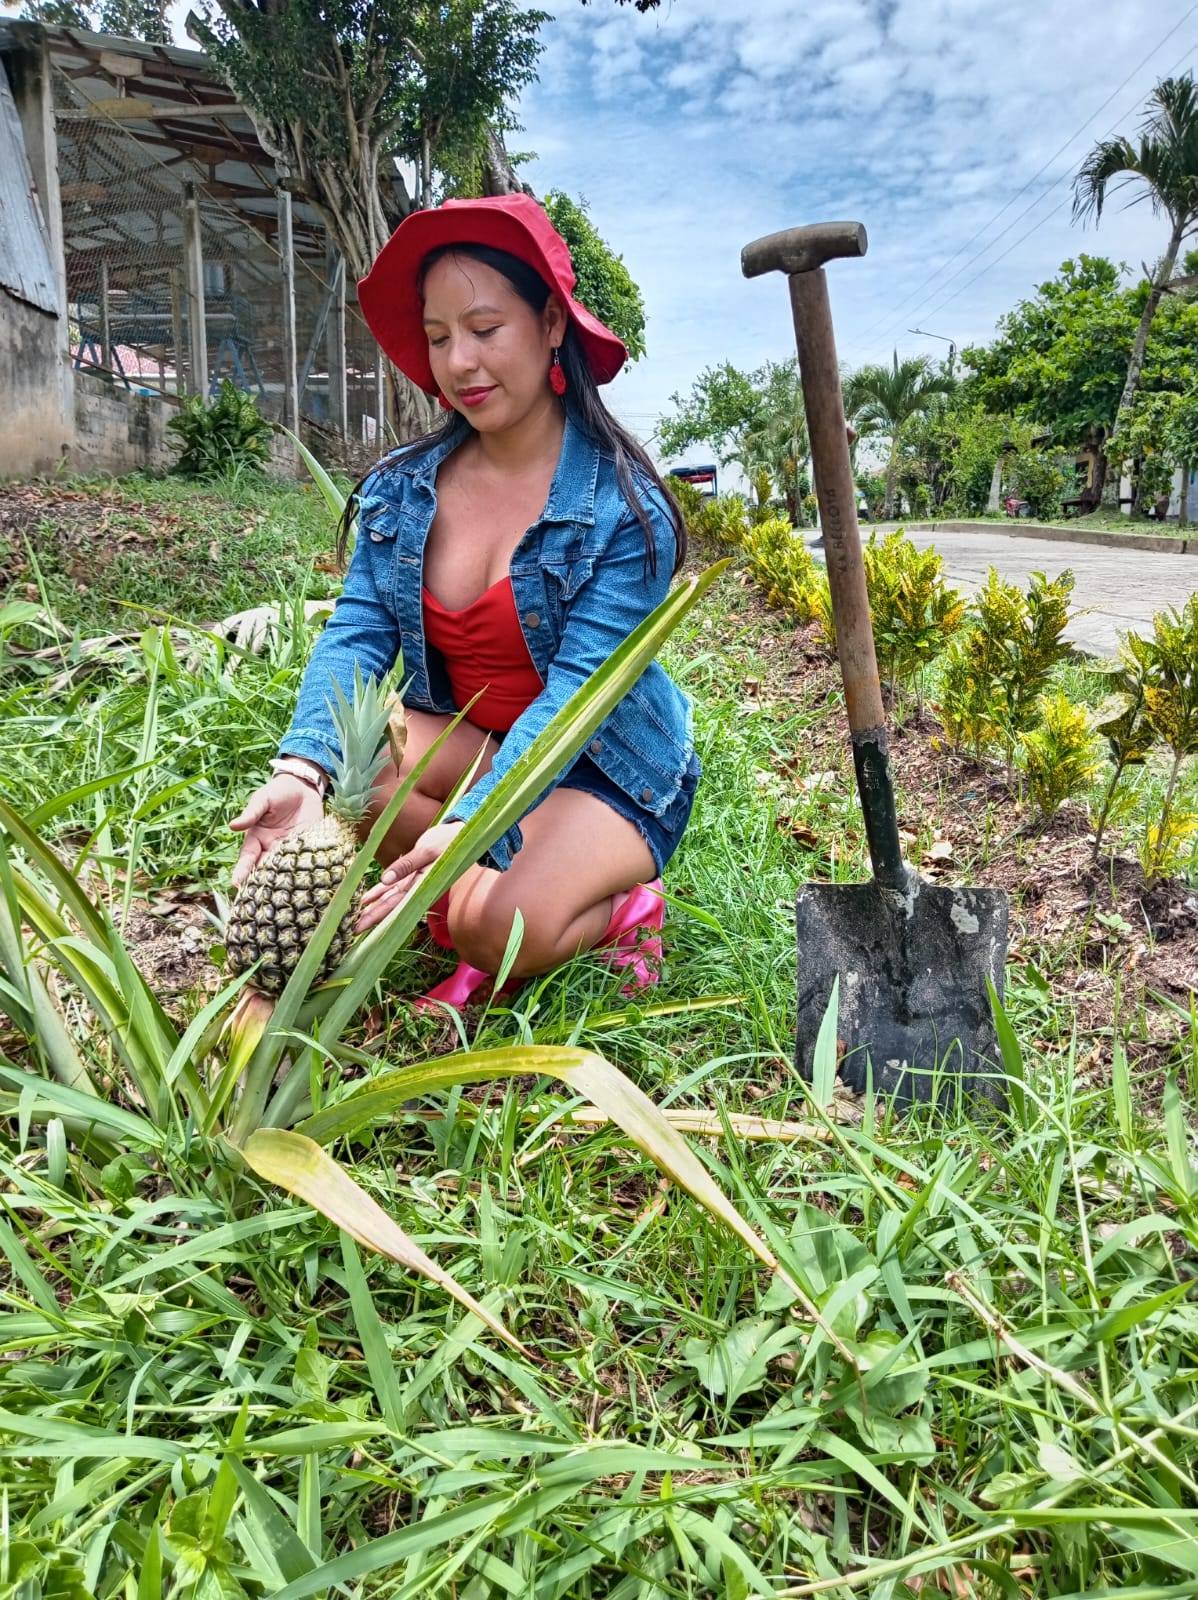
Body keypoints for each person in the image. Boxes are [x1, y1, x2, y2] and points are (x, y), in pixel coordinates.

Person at [228, 193, 701, 1011]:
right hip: (481, 738)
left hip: (599, 765)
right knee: (356, 765)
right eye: (440, 338)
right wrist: (301, 768)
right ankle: (467, 875)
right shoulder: (404, 491)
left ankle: (624, 906)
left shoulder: (625, 512)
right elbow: (360, 630)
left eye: (486, 330)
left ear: (552, 322)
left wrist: (474, 824)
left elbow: (575, 704)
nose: (460, 364)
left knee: (494, 928)